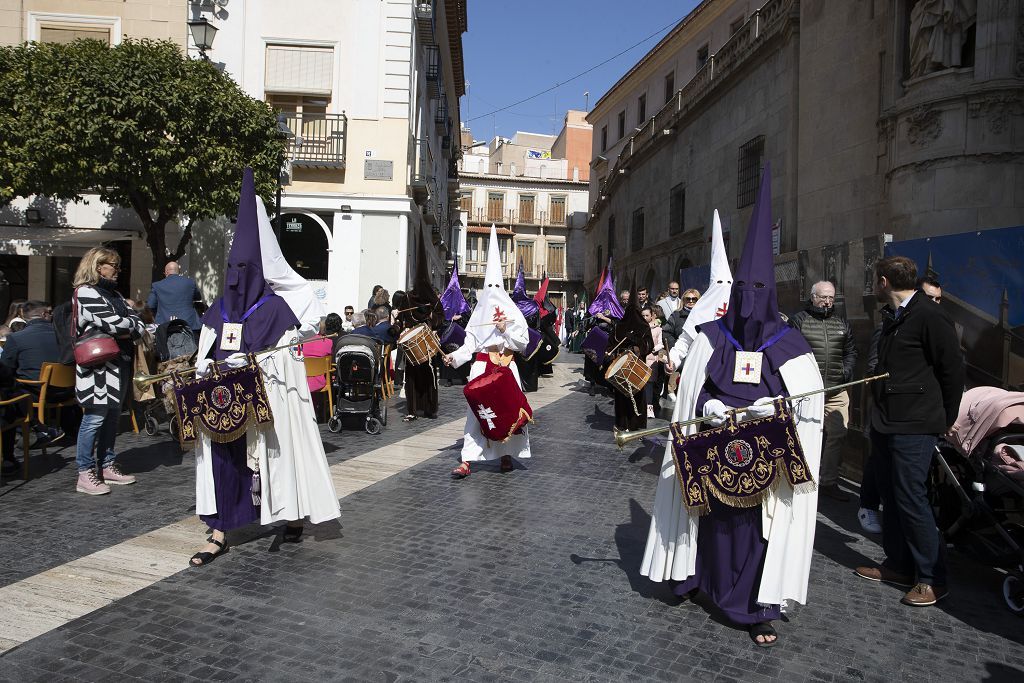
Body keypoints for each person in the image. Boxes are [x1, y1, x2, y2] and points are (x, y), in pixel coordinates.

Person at [642, 168, 824, 647]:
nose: (748, 302)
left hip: (765, 464)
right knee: (709, 523)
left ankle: (754, 607)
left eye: (758, 292)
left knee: (757, 534)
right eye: (742, 291)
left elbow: (809, 415)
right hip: (713, 452)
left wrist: (775, 411)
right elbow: (689, 399)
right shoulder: (710, 338)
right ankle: (698, 579)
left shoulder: (792, 347)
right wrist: (711, 407)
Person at [189, 168, 339, 566]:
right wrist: (204, 366)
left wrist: (255, 363)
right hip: (222, 405)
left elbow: (289, 366)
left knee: (276, 457)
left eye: (244, 272)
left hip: (265, 410)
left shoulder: (277, 310)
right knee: (222, 464)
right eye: (231, 273)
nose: (237, 281)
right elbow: (205, 350)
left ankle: (290, 516)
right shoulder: (218, 310)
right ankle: (220, 531)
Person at [855, 255, 963, 606]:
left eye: (875, 279)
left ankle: (933, 578)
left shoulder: (930, 316)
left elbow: (951, 371)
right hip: (887, 420)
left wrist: (946, 418)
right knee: (891, 493)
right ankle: (899, 565)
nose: (874, 285)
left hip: (916, 424)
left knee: (912, 497)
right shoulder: (893, 316)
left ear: (883, 281)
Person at [443, 225, 531, 478]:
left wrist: (505, 331)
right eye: (488, 286)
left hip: (507, 368)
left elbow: (522, 344)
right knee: (477, 413)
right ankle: (468, 460)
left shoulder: (513, 313)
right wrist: (455, 357)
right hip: (482, 368)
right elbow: (470, 344)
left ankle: (505, 455)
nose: (492, 292)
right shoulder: (478, 314)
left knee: (509, 411)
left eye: (496, 286)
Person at [71, 247, 145, 495]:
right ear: (97, 265)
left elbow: (136, 320)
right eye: (113, 265)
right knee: (94, 418)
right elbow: (114, 323)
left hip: (119, 361)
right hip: (98, 367)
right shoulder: (86, 292)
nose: (117, 271)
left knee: (112, 417)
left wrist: (132, 323)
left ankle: (106, 465)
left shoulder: (113, 294)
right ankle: (85, 472)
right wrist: (132, 323)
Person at [788, 280, 858, 501]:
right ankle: (798, 478)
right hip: (807, 392)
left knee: (837, 434)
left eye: (831, 297)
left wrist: (844, 373)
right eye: (823, 297)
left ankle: (828, 481)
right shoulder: (798, 321)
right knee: (802, 436)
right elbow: (788, 352)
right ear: (812, 297)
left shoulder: (842, 323)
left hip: (836, 391)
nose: (827, 301)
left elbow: (851, 352)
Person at [395, 236, 445, 421]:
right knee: (412, 377)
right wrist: (398, 327)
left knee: (429, 376)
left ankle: (430, 408)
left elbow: (442, 318)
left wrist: (432, 318)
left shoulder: (433, 300)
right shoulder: (408, 299)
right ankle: (412, 409)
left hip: (428, 342)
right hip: (412, 341)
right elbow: (401, 319)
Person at [607, 285, 654, 432]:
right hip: (622, 368)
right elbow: (610, 345)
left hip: (636, 367)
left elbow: (648, 345)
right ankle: (623, 422)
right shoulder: (618, 327)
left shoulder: (644, 327)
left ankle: (636, 422)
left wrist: (637, 343)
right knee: (622, 396)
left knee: (637, 394)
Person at [584, 263, 623, 396]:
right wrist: (590, 321)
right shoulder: (596, 305)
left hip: (609, 338)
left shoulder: (615, 307)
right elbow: (587, 319)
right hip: (596, 337)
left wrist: (605, 318)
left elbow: (617, 323)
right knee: (592, 361)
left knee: (608, 361)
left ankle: (609, 385)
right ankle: (592, 384)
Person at [439, 261, 472, 387]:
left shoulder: (464, 303)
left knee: (460, 351)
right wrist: (449, 321)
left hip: (459, 333)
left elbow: (468, 317)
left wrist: (460, 318)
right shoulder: (443, 301)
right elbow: (440, 318)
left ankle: (462, 376)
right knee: (447, 353)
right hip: (446, 333)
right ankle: (446, 378)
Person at [145, 261, 203, 333]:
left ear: (166, 272)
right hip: (189, 323)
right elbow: (198, 297)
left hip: (165, 324)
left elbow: (150, 305)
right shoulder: (190, 282)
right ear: (179, 272)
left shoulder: (157, 285)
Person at [640, 305, 664, 420]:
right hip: (640, 358)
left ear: (652, 316)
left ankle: (649, 408)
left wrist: (654, 349)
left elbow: (661, 343)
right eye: (643, 315)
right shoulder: (639, 328)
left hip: (651, 358)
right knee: (639, 383)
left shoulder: (658, 329)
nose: (645, 317)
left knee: (649, 384)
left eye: (647, 315)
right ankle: (640, 407)